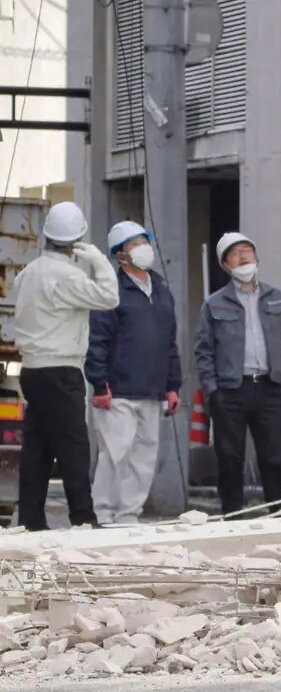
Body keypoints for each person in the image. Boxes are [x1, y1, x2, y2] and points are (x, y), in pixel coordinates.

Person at [12, 202, 120, 530]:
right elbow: (109, 297)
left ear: (46, 235)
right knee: (73, 444)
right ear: (78, 240)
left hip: (32, 369)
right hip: (61, 369)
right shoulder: (68, 277)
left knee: (39, 447)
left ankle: (31, 519)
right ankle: (84, 518)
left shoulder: (28, 273)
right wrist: (98, 260)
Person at [85, 222, 183, 525]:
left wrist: (172, 385)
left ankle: (129, 515)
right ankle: (103, 513)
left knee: (144, 457)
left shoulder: (162, 290)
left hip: (152, 390)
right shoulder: (111, 291)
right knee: (115, 454)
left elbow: (170, 341)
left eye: (144, 241)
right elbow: (97, 339)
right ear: (119, 255)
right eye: (134, 244)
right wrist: (99, 384)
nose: (142, 248)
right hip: (118, 392)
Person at [194, 233, 281, 514]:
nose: (243, 257)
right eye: (235, 254)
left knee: (275, 459)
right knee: (229, 458)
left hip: (271, 388)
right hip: (230, 390)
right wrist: (211, 390)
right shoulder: (214, 303)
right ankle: (233, 517)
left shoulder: (278, 299)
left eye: (247, 251)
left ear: (257, 258)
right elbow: (203, 350)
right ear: (225, 265)